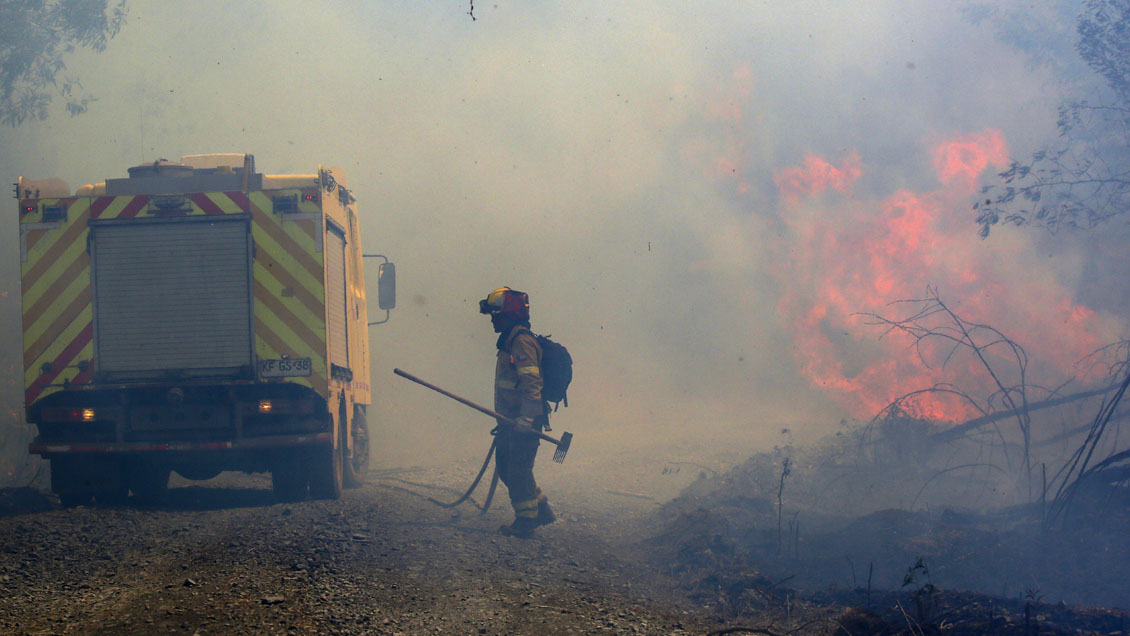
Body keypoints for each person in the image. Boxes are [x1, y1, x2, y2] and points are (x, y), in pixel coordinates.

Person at [479, 286, 555, 538]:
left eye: (496, 315)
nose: (492, 319)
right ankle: (541, 508)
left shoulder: (521, 342)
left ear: (509, 314)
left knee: (518, 471)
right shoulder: (511, 340)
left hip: (523, 420)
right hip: (510, 420)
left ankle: (526, 523)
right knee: (507, 467)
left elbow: (532, 382)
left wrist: (527, 417)